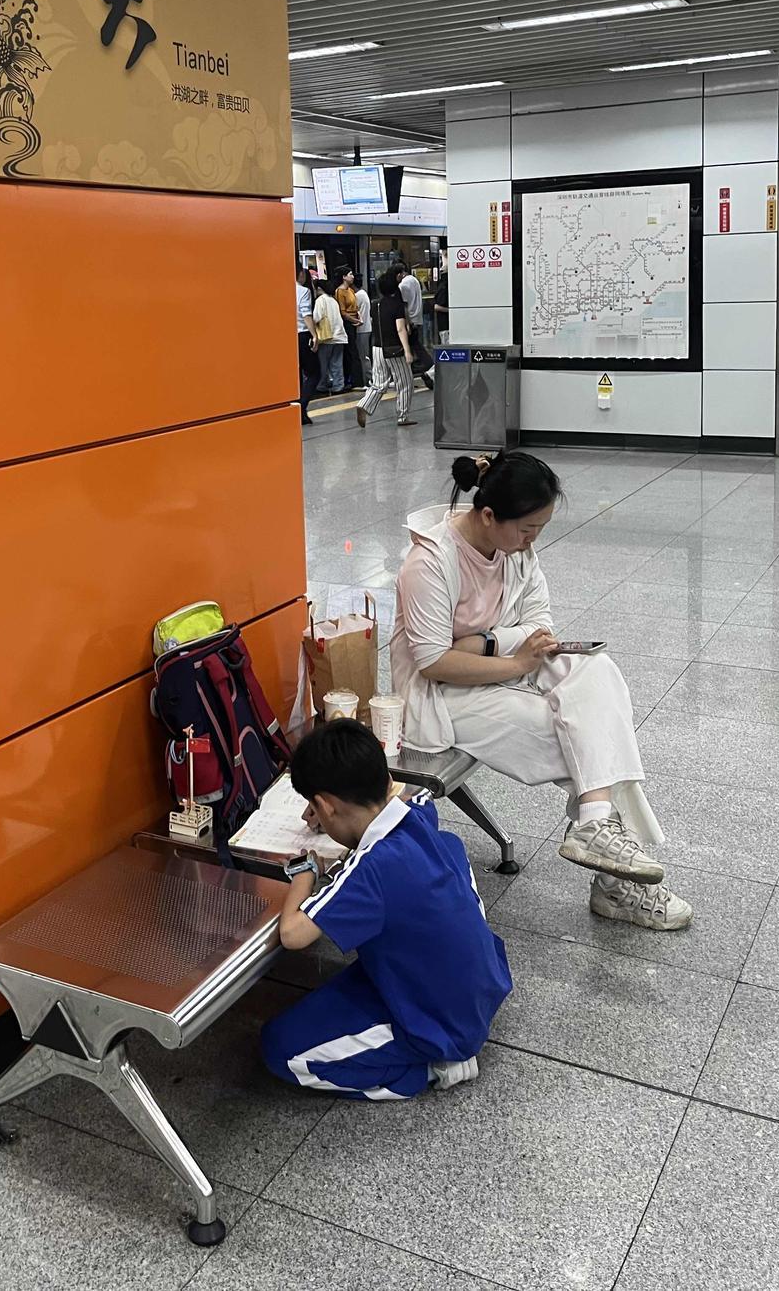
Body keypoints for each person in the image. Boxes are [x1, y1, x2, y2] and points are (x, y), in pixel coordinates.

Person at [391, 450, 692, 932]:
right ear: (488, 516)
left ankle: (594, 823)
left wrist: (488, 642)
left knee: (596, 671)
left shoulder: (515, 549)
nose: (534, 540)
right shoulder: (429, 562)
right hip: (441, 697)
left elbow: (540, 624)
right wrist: (513, 659)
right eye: (528, 529)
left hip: (501, 667)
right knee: (585, 737)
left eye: (540, 528)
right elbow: (434, 662)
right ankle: (614, 882)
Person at [261, 720, 512, 1099]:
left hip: (440, 1023)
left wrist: (304, 873)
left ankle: (431, 1067)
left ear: (326, 805)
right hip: (478, 987)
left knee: (281, 1049)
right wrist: (336, 817)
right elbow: (410, 800)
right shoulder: (419, 814)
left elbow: (293, 935)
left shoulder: (370, 870)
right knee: (448, 846)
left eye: (315, 807)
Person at [355, 268, 416, 429]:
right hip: (394, 349)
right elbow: (400, 329)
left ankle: (364, 404)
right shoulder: (396, 305)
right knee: (405, 383)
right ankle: (402, 416)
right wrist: (407, 350)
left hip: (377, 348)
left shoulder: (375, 304)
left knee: (379, 383)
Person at [395, 260, 435, 389]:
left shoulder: (403, 285)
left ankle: (429, 367)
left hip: (409, 320)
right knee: (415, 346)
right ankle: (424, 369)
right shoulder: (414, 280)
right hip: (416, 318)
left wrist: (406, 322)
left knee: (413, 347)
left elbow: (404, 305)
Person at [312, 278, 347, 395]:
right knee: (337, 363)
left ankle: (322, 385)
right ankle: (338, 386)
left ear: (319, 289)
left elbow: (316, 317)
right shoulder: (333, 300)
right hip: (340, 336)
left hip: (327, 337)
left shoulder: (320, 300)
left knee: (323, 363)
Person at [295, 265, 319, 425]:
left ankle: (299, 411)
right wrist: (314, 335)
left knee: (296, 375)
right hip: (303, 335)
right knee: (314, 373)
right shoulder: (303, 291)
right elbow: (306, 314)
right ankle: (301, 407)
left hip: (287, 337)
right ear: (300, 274)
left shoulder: (281, 290)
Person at [334, 266, 362, 390]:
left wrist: (359, 318)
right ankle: (353, 381)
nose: (352, 276)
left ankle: (355, 380)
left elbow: (356, 307)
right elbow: (343, 312)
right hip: (347, 323)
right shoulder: (339, 292)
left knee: (353, 351)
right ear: (344, 277)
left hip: (354, 321)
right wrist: (355, 320)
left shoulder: (350, 290)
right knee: (351, 352)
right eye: (350, 274)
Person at [353, 274, 372, 385]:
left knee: (363, 356)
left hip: (361, 329)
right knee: (365, 355)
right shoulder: (364, 293)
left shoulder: (357, 296)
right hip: (366, 328)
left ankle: (368, 379)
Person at [433, 256, 450, 344]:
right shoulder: (444, 287)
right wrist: (451, 311)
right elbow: (436, 307)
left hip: (445, 324)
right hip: (445, 325)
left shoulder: (442, 285)